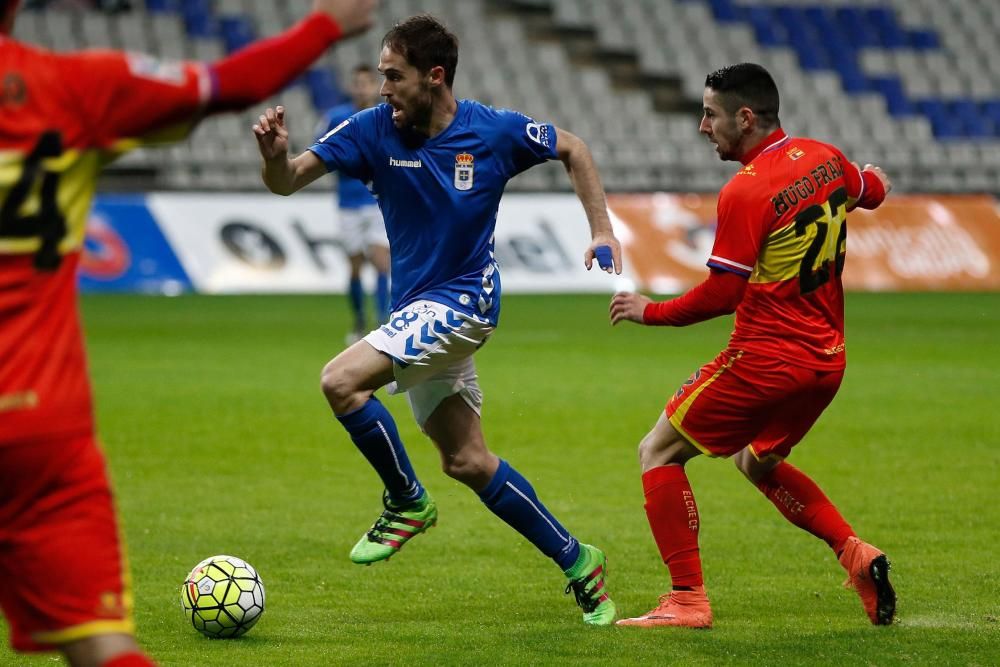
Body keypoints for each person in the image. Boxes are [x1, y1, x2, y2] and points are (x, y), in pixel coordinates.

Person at [0, 1, 375, 665]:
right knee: (99, 642)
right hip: (40, 425)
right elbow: (226, 86)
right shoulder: (73, 86)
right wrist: (323, 24)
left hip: (47, 434)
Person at [254, 14, 623, 626]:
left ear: (435, 76)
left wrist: (603, 229)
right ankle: (579, 560)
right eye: (379, 76)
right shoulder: (372, 130)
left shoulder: (493, 131)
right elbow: (287, 182)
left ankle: (405, 501)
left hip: (465, 302)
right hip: (417, 313)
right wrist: (273, 159)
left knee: (340, 382)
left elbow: (572, 148)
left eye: (393, 77)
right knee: (468, 461)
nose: (383, 89)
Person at [609, 63, 896, 629]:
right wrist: (873, 176)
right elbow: (872, 191)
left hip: (766, 359)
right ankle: (856, 555)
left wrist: (652, 312)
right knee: (759, 462)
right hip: (825, 364)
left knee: (657, 452)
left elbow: (723, 294)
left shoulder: (746, 190)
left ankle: (687, 599)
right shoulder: (825, 157)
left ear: (745, 117)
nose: (701, 125)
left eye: (710, 114)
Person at [316, 64, 391, 344]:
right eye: (357, 83)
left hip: (378, 202)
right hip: (348, 202)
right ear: (352, 87)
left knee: (382, 262)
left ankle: (383, 321)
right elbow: (321, 152)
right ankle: (359, 320)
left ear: (375, 86)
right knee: (356, 266)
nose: (362, 88)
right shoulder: (336, 117)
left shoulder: (388, 116)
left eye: (367, 83)